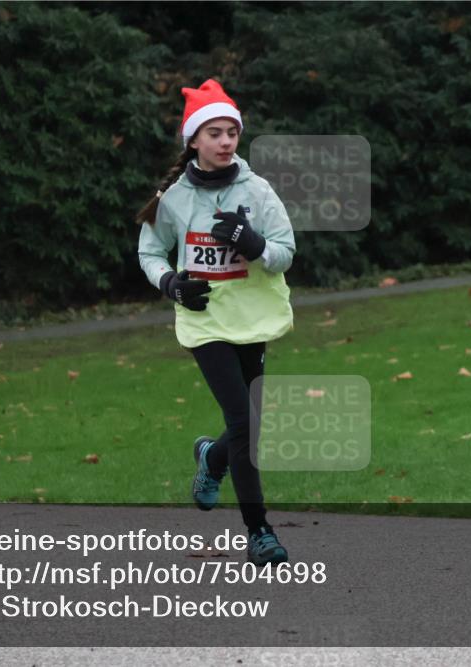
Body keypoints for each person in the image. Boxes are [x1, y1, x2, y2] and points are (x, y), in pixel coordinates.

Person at [135, 78, 296, 567]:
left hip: (254, 319)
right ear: (194, 142)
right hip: (205, 325)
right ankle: (259, 532)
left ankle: (211, 458)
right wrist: (171, 285)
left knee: (252, 423)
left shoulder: (257, 190)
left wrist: (253, 245)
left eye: (232, 132)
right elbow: (149, 251)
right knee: (243, 421)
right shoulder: (175, 199)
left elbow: (285, 254)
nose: (226, 141)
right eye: (215, 133)